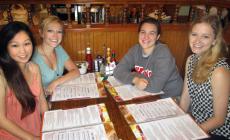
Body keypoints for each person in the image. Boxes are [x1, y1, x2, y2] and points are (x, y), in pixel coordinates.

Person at [179, 15, 230, 139]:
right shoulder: (191, 60)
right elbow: (185, 98)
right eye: (194, 34)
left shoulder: (219, 71)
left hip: (219, 131)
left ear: (214, 40)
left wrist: (190, 133)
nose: (197, 40)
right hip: (197, 122)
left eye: (205, 36)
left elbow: (219, 119)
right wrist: (177, 121)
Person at [0, 21, 48, 140]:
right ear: (5, 47)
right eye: (15, 45)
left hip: (37, 131)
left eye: (27, 44)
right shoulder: (2, 76)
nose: (23, 51)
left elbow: (42, 102)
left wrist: (50, 124)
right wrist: (32, 138)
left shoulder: (34, 68)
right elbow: (1, 120)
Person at [113, 17, 183, 98]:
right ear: (138, 34)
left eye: (151, 33)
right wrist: (135, 80)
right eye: (143, 32)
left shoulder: (163, 53)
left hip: (172, 97)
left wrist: (133, 74)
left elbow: (155, 87)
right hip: (150, 95)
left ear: (157, 37)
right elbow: (117, 71)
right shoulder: (135, 49)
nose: (146, 37)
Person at [32, 15, 80, 93]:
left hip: (57, 95)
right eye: (50, 31)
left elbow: (76, 71)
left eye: (59, 32)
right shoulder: (32, 56)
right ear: (41, 33)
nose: (55, 36)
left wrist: (55, 83)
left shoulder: (58, 49)